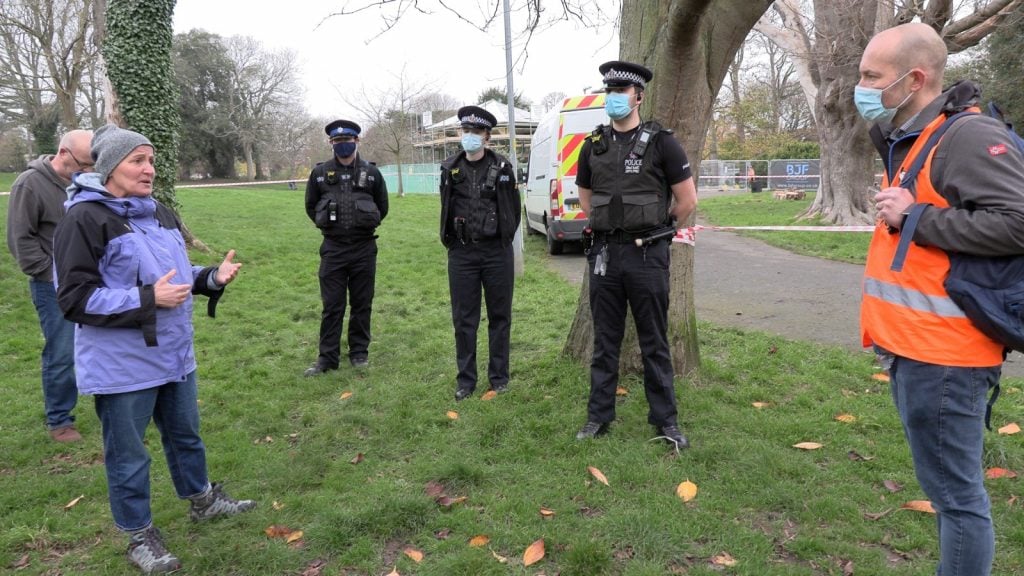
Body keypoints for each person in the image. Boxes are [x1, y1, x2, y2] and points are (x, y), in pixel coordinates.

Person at [857, 23, 1024, 576]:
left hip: (948, 357)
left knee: (957, 499)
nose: (861, 88)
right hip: (919, 351)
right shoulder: (921, 137)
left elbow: (1019, 223)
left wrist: (916, 217)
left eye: (871, 77)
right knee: (951, 491)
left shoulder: (968, 136)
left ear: (916, 78)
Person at [52, 124, 256, 574]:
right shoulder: (83, 220)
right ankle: (138, 535)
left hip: (174, 354)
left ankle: (202, 500)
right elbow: (73, 299)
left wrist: (208, 278)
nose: (149, 170)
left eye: (151, 161)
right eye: (137, 161)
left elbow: (171, 277)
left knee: (186, 435)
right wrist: (146, 300)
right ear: (109, 167)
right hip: (122, 365)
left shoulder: (157, 211)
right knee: (128, 454)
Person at [574, 61, 697, 449]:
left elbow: (686, 200)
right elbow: (586, 197)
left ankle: (665, 420)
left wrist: (656, 228)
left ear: (639, 96)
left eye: (621, 91)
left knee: (653, 341)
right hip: (605, 255)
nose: (613, 98)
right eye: (609, 91)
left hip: (648, 256)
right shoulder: (592, 145)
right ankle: (599, 417)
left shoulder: (663, 142)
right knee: (605, 341)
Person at [6, 129, 93, 442]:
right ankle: (60, 420)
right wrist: (50, 275)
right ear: (63, 153)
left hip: (89, 281)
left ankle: (110, 402)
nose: (87, 171)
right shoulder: (30, 184)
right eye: (83, 164)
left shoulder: (84, 181)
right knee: (61, 352)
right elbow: (20, 239)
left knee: (97, 344)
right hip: (53, 286)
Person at [439, 106, 520, 401]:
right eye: (466, 131)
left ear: (487, 136)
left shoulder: (502, 167)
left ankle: (499, 378)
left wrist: (503, 238)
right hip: (462, 254)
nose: (470, 136)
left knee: (500, 316)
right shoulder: (450, 169)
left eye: (476, 132)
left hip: (496, 253)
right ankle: (466, 380)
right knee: (464, 319)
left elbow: (512, 209)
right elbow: (445, 206)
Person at [303, 119, 388, 376]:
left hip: (364, 248)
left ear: (356, 141)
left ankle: (359, 353)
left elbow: (382, 207)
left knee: (362, 303)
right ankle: (327, 358)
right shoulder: (320, 174)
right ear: (331, 143)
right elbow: (310, 206)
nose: (343, 145)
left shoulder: (371, 174)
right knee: (332, 305)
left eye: (347, 140)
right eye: (337, 141)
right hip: (333, 249)